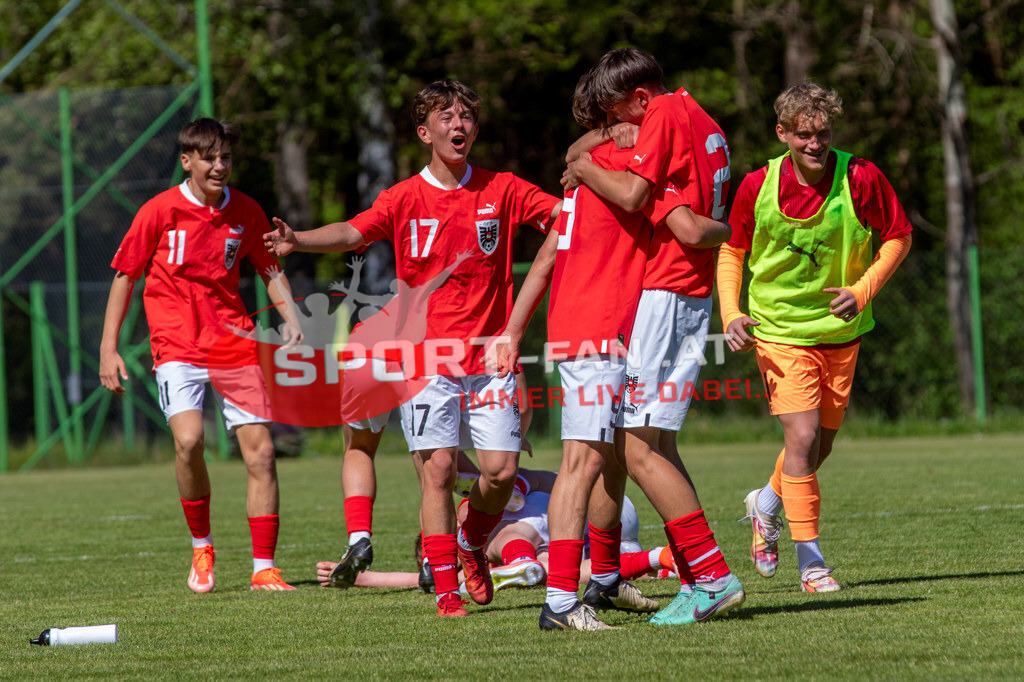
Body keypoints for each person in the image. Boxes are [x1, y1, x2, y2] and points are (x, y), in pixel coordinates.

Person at [264, 79, 561, 617]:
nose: (459, 124)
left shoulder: (505, 189)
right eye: (446, 117)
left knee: (498, 472)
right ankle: (447, 588)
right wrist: (298, 240)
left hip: (489, 358)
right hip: (423, 360)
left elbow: (564, 220)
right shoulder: (402, 198)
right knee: (439, 470)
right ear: (425, 132)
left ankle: (471, 543)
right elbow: (354, 234)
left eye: (467, 115)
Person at [552, 48, 744, 626]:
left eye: (615, 117)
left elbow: (638, 197)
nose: (614, 131)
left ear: (640, 99)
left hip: (665, 292)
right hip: (693, 291)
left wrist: (584, 169)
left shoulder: (660, 115)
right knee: (659, 444)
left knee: (635, 447)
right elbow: (695, 217)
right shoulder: (703, 117)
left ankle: (711, 576)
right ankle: (696, 577)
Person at [719, 82, 912, 592]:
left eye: (822, 133)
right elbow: (732, 251)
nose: (814, 143)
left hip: (841, 332)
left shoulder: (861, 176)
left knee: (817, 448)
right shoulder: (756, 185)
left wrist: (862, 290)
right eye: (803, 134)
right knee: (801, 439)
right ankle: (812, 563)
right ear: (782, 133)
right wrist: (730, 312)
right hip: (779, 329)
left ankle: (765, 503)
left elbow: (898, 236)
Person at [99, 118, 301, 592]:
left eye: (226, 157)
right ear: (186, 161)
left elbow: (269, 269)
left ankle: (264, 569)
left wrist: (291, 317)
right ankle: (202, 546)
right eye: (209, 158)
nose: (219, 166)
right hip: (176, 343)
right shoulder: (159, 210)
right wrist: (108, 349)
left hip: (235, 343)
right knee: (189, 442)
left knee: (263, 453)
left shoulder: (246, 210)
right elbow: (125, 276)